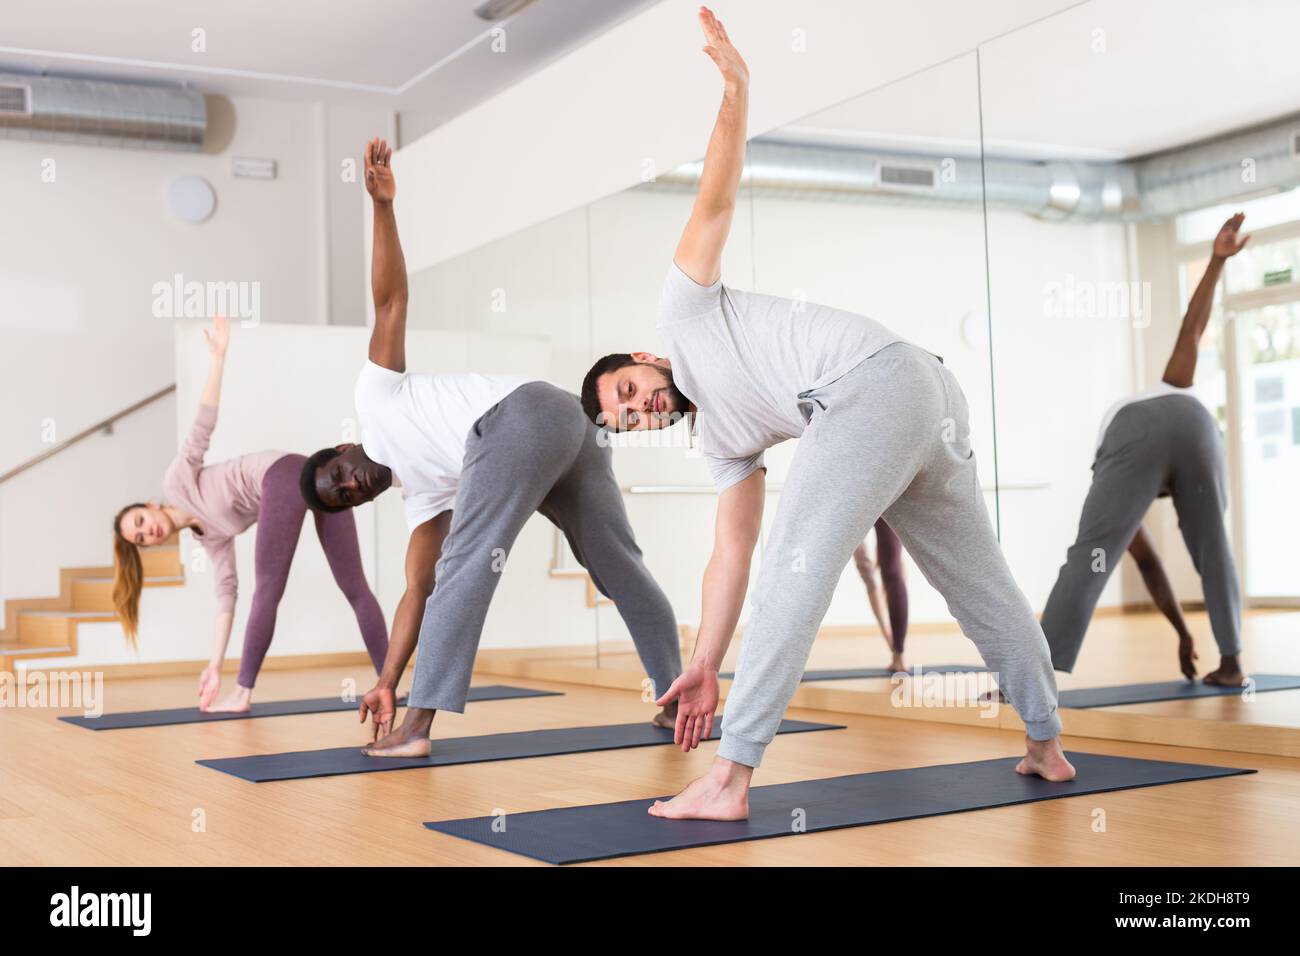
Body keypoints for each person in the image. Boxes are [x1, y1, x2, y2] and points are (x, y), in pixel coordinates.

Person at [578, 7, 1073, 822]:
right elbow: (727, 559)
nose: (640, 408)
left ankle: (730, 780)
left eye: (629, 391)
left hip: (875, 387)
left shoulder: (685, 314)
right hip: (925, 397)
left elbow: (714, 202)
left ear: (645, 358)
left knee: (794, 570)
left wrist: (736, 90)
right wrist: (703, 659)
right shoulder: (723, 444)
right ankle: (1047, 744)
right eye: (626, 420)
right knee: (978, 581)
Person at [300, 138, 682, 756]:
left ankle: (416, 732)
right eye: (343, 498)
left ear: (346, 446)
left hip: (526, 413)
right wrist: (385, 679)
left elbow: (391, 299)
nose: (350, 486)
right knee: (617, 565)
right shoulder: (423, 498)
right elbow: (416, 593)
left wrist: (382, 210)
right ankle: (678, 697)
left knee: (469, 560)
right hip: (571, 429)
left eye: (339, 474)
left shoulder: (375, 398)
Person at [112, 315, 389, 712]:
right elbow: (226, 598)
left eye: (140, 521)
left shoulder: (176, 483)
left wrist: (218, 359)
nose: (148, 531)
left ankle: (244, 693)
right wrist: (213, 667)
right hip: (307, 476)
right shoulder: (211, 537)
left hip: (282, 474)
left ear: (149, 505)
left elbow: (202, 426)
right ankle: (390, 686)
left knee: (286, 589)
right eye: (141, 538)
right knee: (345, 587)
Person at [1041, 214, 1250, 685]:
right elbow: (1192, 332)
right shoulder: (1176, 387)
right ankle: (1233, 663)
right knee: (1214, 548)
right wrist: (1216, 263)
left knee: (1091, 555)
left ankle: (1038, 676)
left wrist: (1215, 260)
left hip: (1134, 434)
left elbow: (1148, 565)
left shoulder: (1124, 438)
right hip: (1198, 426)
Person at [852, 519, 908, 672]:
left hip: (883, 501)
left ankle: (898, 652)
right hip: (852, 500)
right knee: (867, 567)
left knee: (891, 569)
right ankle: (892, 643)